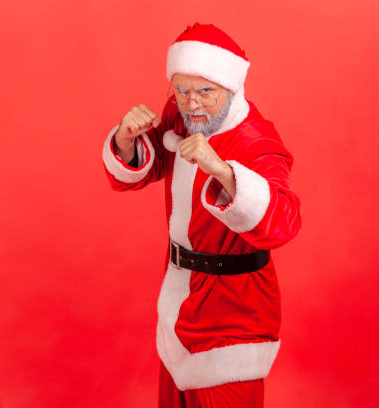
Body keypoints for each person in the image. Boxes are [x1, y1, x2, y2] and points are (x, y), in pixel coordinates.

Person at [102, 22, 302, 408]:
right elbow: (142, 170)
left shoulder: (255, 140)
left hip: (233, 315)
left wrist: (223, 170)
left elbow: (284, 222)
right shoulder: (180, 114)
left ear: (230, 86)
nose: (191, 103)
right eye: (182, 90)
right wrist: (126, 139)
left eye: (205, 91)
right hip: (179, 302)